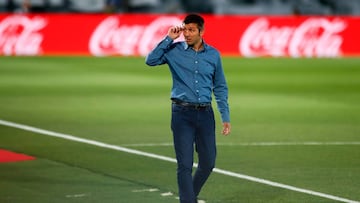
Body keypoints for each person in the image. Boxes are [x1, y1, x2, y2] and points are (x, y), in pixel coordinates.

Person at [145, 14, 231, 203]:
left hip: (206, 114)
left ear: (202, 31)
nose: (187, 34)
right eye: (185, 29)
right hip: (182, 114)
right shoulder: (173, 50)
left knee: (208, 163)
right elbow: (150, 60)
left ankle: (188, 196)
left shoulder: (213, 55)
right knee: (184, 164)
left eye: (191, 30)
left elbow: (220, 86)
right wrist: (168, 38)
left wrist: (225, 116)